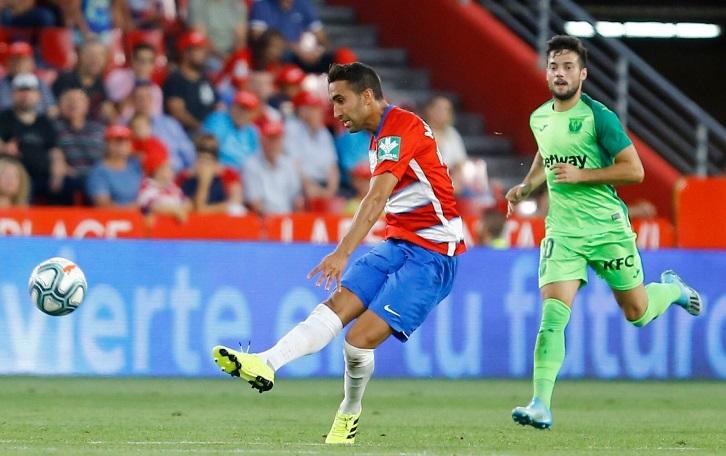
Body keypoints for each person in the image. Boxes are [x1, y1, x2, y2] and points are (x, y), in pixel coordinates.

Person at [212, 62, 465, 444]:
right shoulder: (382, 136)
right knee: (336, 305)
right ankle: (267, 362)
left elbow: (376, 198)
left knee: (357, 340)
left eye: (341, 100)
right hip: (399, 243)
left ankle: (349, 412)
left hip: (433, 255)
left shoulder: (399, 130)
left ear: (367, 96)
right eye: (332, 102)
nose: (335, 112)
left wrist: (342, 252)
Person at [506, 35, 702, 430]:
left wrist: (582, 175)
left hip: (607, 228)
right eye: (554, 67)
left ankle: (673, 290)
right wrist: (527, 186)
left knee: (637, 312)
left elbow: (634, 170)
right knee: (552, 316)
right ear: (547, 73)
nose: (560, 74)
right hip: (563, 231)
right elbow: (547, 153)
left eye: (568, 67)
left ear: (583, 74)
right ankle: (540, 404)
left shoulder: (599, 117)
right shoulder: (539, 117)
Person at [0, 73, 67, 204]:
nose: (25, 95)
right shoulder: (4, 118)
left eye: (30, 91)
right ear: (13, 94)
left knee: (67, 188)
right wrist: (4, 148)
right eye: (21, 91)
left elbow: (55, 152)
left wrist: (57, 175)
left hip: (43, 177)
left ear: (38, 96)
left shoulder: (45, 122)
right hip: (15, 176)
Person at [242, 119, 303, 215]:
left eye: (277, 139)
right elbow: (255, 203)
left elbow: (296, 198)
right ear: (262, 140)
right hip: (263, 219)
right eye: (270, 139)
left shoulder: (289, 164)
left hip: (287, 218)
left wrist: (295, 218)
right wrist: (273, 220)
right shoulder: (251, 165)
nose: (274, 144)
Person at [163, 31, 218, 133]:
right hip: (183, 133)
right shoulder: (175, 80)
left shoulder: (206, 80)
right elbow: (177, 112)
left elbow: (217, 105)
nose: (204, 54)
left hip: (208, 132)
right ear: (186, 53)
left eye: (204, 49)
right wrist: (201, 128)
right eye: (199, 49)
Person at [178, 133, 244, 214]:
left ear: (215, 161)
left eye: (208, 160)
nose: (204, 166)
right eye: (201, 159)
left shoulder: (229, 174)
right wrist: (203, 183)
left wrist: (207, 209)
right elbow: (185, 204)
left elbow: (235, 203)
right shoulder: (185, 177)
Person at [86, 125, 142, 207]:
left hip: (142, 213)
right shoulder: (99, 172)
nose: (123, 145)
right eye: (118, 142)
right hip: (115, 215)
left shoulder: (136, 165)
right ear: (108, 145)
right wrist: (140, 208)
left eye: (127, 141)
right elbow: (104, 206)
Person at [0, 42, 57, 116]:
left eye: (23, 59)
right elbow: (5, 109)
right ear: (8, 63)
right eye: (15, 60)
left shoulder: (39, 82)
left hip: (38, 120)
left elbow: (52, 108)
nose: (19, 64)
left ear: (31, 63)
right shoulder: (2, 84)